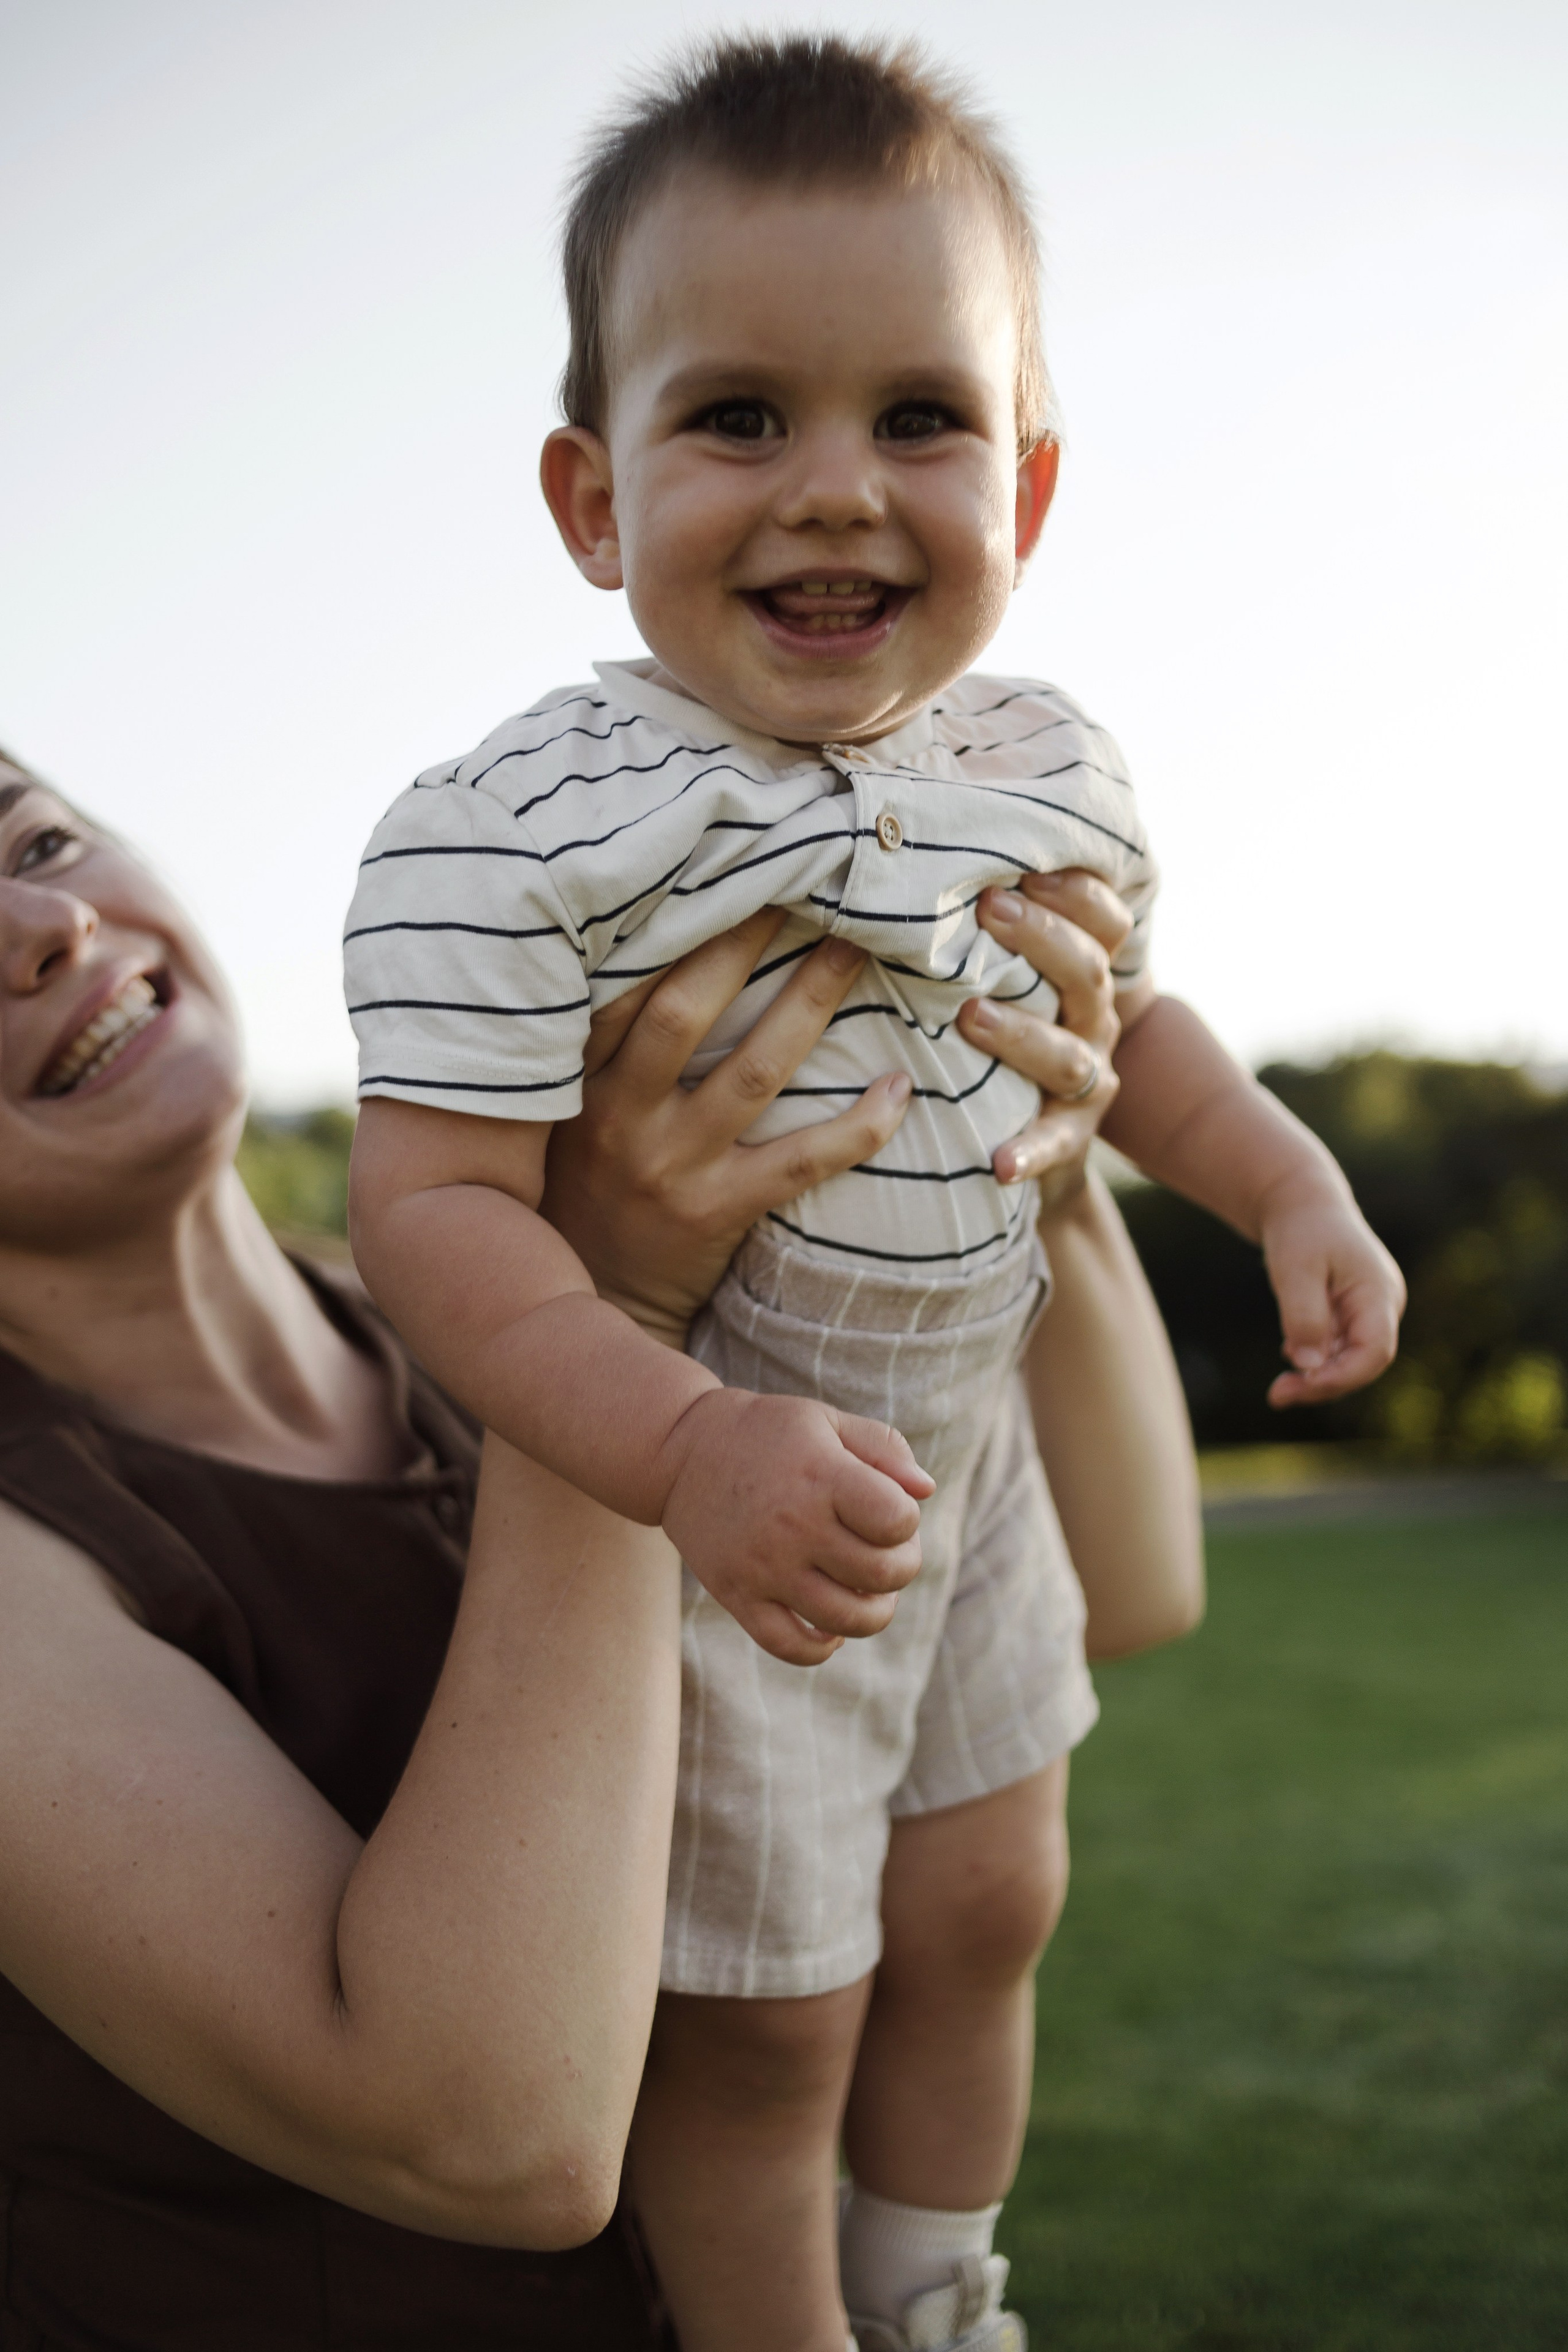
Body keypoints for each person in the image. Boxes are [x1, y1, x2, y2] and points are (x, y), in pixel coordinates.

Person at [341, 34, 1405, 2352]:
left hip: (980, 1450)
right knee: (764, 2027)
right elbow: (427, 1218)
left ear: (1026, 480)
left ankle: (933, 2296)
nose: (838, 490)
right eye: (738, 417)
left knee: (1001, 1893)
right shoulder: (517, 830)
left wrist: (1287, 1181)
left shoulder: (1041, 761)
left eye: (919, 418)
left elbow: (1128, 1025)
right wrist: (685, 1447)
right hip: (717, 1485)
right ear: (590, 499)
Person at [0, 748, 1183, 2348]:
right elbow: (497, 2140)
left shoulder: (454, 1302)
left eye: (44, 844)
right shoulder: (551, 1309)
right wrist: (614, 1313)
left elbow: (1127, 1586)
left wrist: (1022, 1146)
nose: (37, 930)